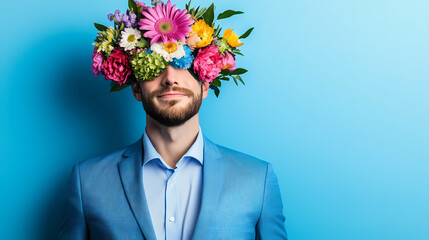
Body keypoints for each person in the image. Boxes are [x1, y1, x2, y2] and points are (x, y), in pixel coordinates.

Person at [58, 1, 288, 239]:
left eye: (183, 62)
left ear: (205, 84)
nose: (169, 78)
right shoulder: (86, 182)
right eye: (153, 65)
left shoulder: (258, 179)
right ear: (136, 89)